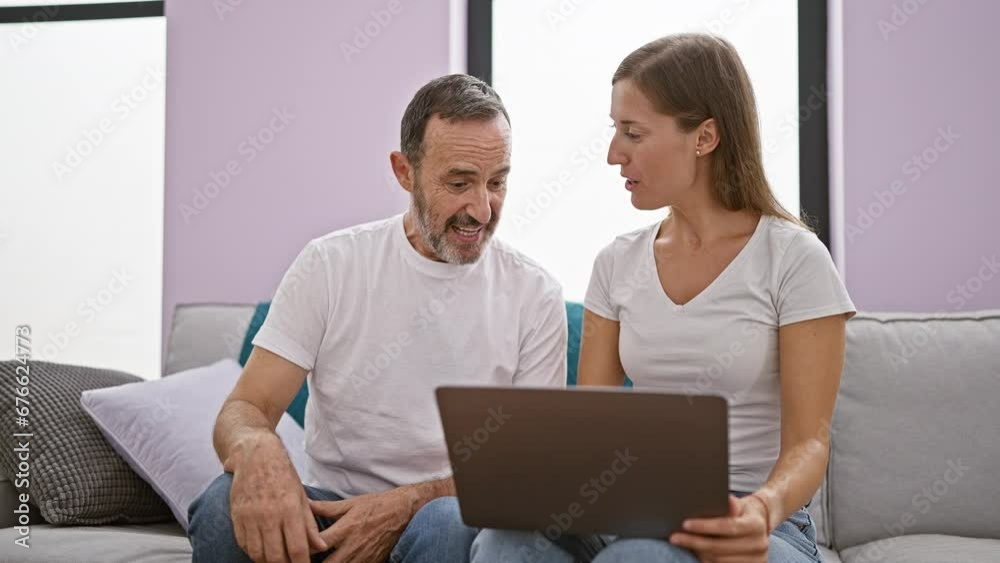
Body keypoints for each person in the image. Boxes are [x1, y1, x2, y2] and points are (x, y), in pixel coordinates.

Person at [471, 33, 855, 563]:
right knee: (502, 543)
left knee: (636, 559)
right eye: (615, 131)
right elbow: (592, 433)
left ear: (705, 137)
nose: (612, 154)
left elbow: (809, 445)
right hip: (635, 512)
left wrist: (762, 510)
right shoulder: (615, 263)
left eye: (633, 133)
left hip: (760, 524)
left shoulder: (795, 260)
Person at [187, 74, 567, 563]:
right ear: (404, 171)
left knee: (448, 522)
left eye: (497, 183)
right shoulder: (331, 264)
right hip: (328, 520)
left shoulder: (533, 295)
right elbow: (247, 407)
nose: (481, 207)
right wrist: (257, 447)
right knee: (221, 502)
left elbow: (526, 470)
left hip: (443, 524)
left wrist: (402, 506)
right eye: (459, 182)